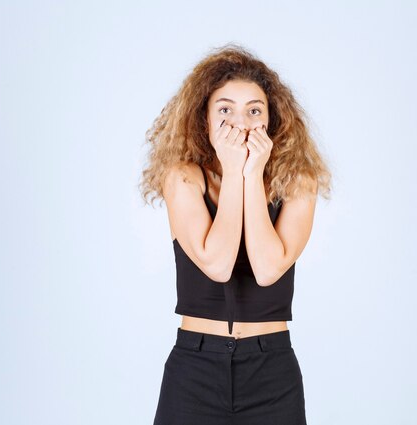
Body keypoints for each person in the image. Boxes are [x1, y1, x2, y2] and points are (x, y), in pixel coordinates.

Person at [140, 43, 332, 425]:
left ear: (271, 121)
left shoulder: (298, 182)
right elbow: (218, 263)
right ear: (204, 119)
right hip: (195, 367)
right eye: (225, 109)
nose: (240, 122)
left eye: (254, 111)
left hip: (271, 369)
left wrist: (250, 176)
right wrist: (232, 172)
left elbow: (266, 269)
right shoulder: (182, 178)